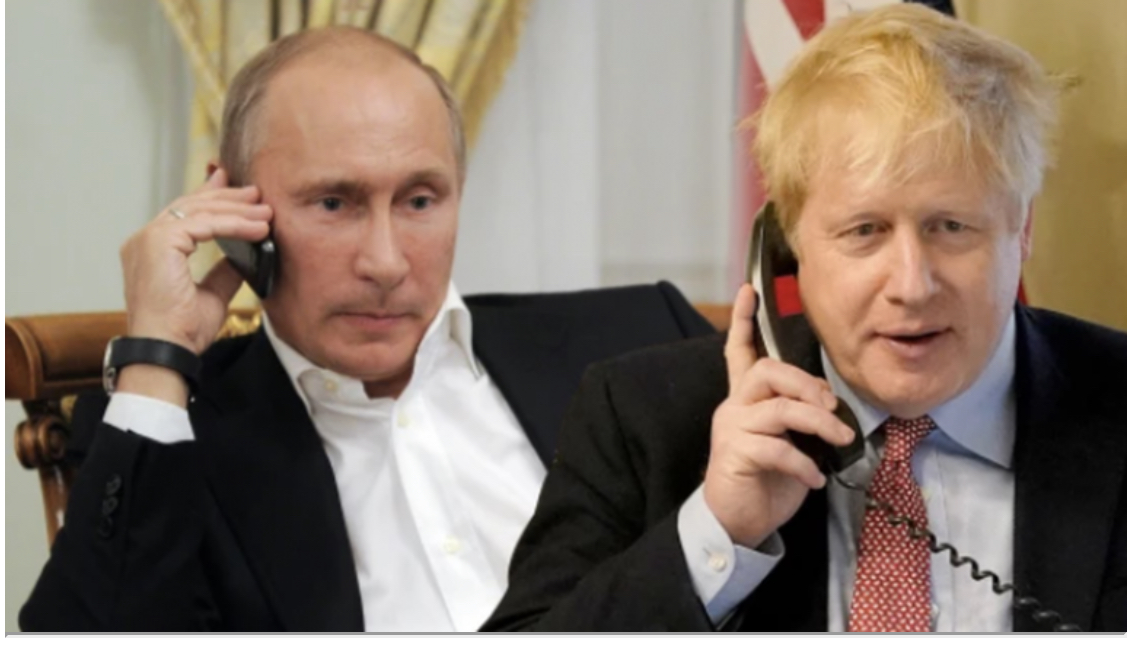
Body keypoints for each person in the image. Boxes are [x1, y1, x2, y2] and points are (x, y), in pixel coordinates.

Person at [19, 27, 715, 632]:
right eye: (333, 202)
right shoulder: (169, 437)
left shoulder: (638, 337)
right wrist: (157, 352)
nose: (385, 263)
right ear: (232, 210)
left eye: (420, 200)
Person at [483, 4, 1125, 633]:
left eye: (951, 227)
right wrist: (719, 531)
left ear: (1022, 228)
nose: (911, 286)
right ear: (786, 249)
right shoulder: (645, 417)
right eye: (864, 231)